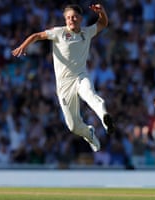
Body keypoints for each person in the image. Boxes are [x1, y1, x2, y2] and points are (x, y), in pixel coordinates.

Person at [12, 4, 115, 152]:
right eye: (68, 18)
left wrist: (102, 12)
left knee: (90, 95)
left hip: (80, 77)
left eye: (74, 17)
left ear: (80, 18)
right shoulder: (59, 33)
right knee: (73, 126)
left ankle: (105, 119)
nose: (71, 20)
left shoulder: (86, 32)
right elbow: (37, 35)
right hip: (64, 85)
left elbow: (103, 23)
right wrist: (24, 46)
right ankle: (89, 133)